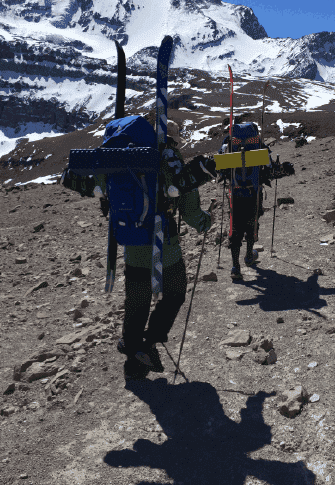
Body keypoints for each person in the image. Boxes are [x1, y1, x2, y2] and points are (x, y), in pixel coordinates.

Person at [94, 120, 213, 380]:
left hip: (131, 240)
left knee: (137, 300)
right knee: (175, 292)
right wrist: (206, 221)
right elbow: (189, 206)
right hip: (164, 244)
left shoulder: (124, 158)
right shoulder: (170, 158)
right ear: (173, 138)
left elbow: (103, 190)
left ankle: (131, 350)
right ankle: (150, 342)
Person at [218, 123, 272, 282]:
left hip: (234, 193)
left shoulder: (229, 144)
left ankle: (235, 267)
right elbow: (268, 166)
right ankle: (249, 255)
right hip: (253, 192)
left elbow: (220, 168)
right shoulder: (258, 144)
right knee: (252, 222)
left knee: (235, 226)